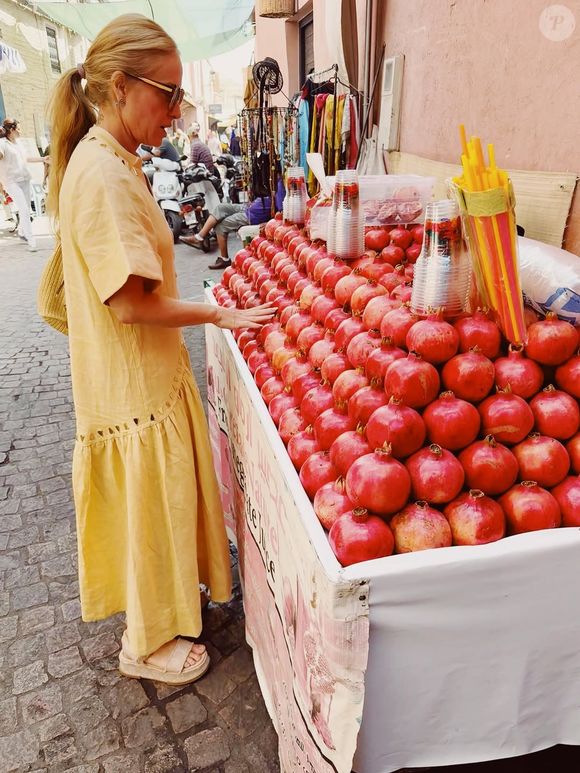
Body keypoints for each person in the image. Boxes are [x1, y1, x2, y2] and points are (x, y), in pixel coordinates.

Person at [46, 13, 274, 685]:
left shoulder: (115, 158)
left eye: (180, 95)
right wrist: (217, 311)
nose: (176, 111)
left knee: (163, 498)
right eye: (166, 93)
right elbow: (130, 302)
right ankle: (144, 644)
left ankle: (170, 607)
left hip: (144, 373)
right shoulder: (105, 175)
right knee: (151, 500)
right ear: (119, 87)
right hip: (132, 379)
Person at [180, 178, 285, 270]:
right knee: (220, 207)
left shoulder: (281, 183)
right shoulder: (272, 176)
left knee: (220, 226)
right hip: (247, 207)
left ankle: (224, 259)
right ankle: (199, 236)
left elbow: (281, 212)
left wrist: (268, 222)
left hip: (253, 216)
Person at [0, 118, 45, 251]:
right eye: (18, 128)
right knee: (25, 209)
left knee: (25, 209)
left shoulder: (18, 143)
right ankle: (31, 240)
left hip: (25, 179)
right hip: (11, 181)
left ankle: (21, 232)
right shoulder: (2, 143)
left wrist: (43, 159)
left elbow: (26, 158)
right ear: (12, 130)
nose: (21, 131)